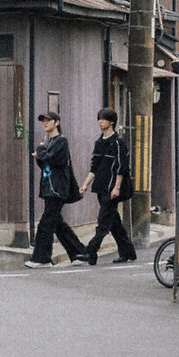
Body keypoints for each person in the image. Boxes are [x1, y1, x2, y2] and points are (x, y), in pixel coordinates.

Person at [24, 111, 85, 267]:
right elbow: (43, 162)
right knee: (57, 223)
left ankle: (42, 258)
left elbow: (51, 158)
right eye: (43, 121)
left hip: (58, 189)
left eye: (48, 120)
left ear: (57, 122)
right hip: (48, 187)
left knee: (45, 223)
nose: (45, 123)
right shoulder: (48, 142)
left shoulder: (61, 141)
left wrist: (40, 151)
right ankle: (80, 253)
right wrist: (42, 154)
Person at [80, 108, 135, 265]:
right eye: (99, 119)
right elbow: (94, 167)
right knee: (113, 221)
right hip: (101, 187)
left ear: (112, 121)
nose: (100, 121)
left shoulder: (118, 142)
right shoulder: (99, 142)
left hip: (113, 188)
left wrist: (117, 187)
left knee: (103, 221)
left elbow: (121, 167)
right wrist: (85, 184)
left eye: (103, 119)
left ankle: (90, 252)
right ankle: (128, 252)